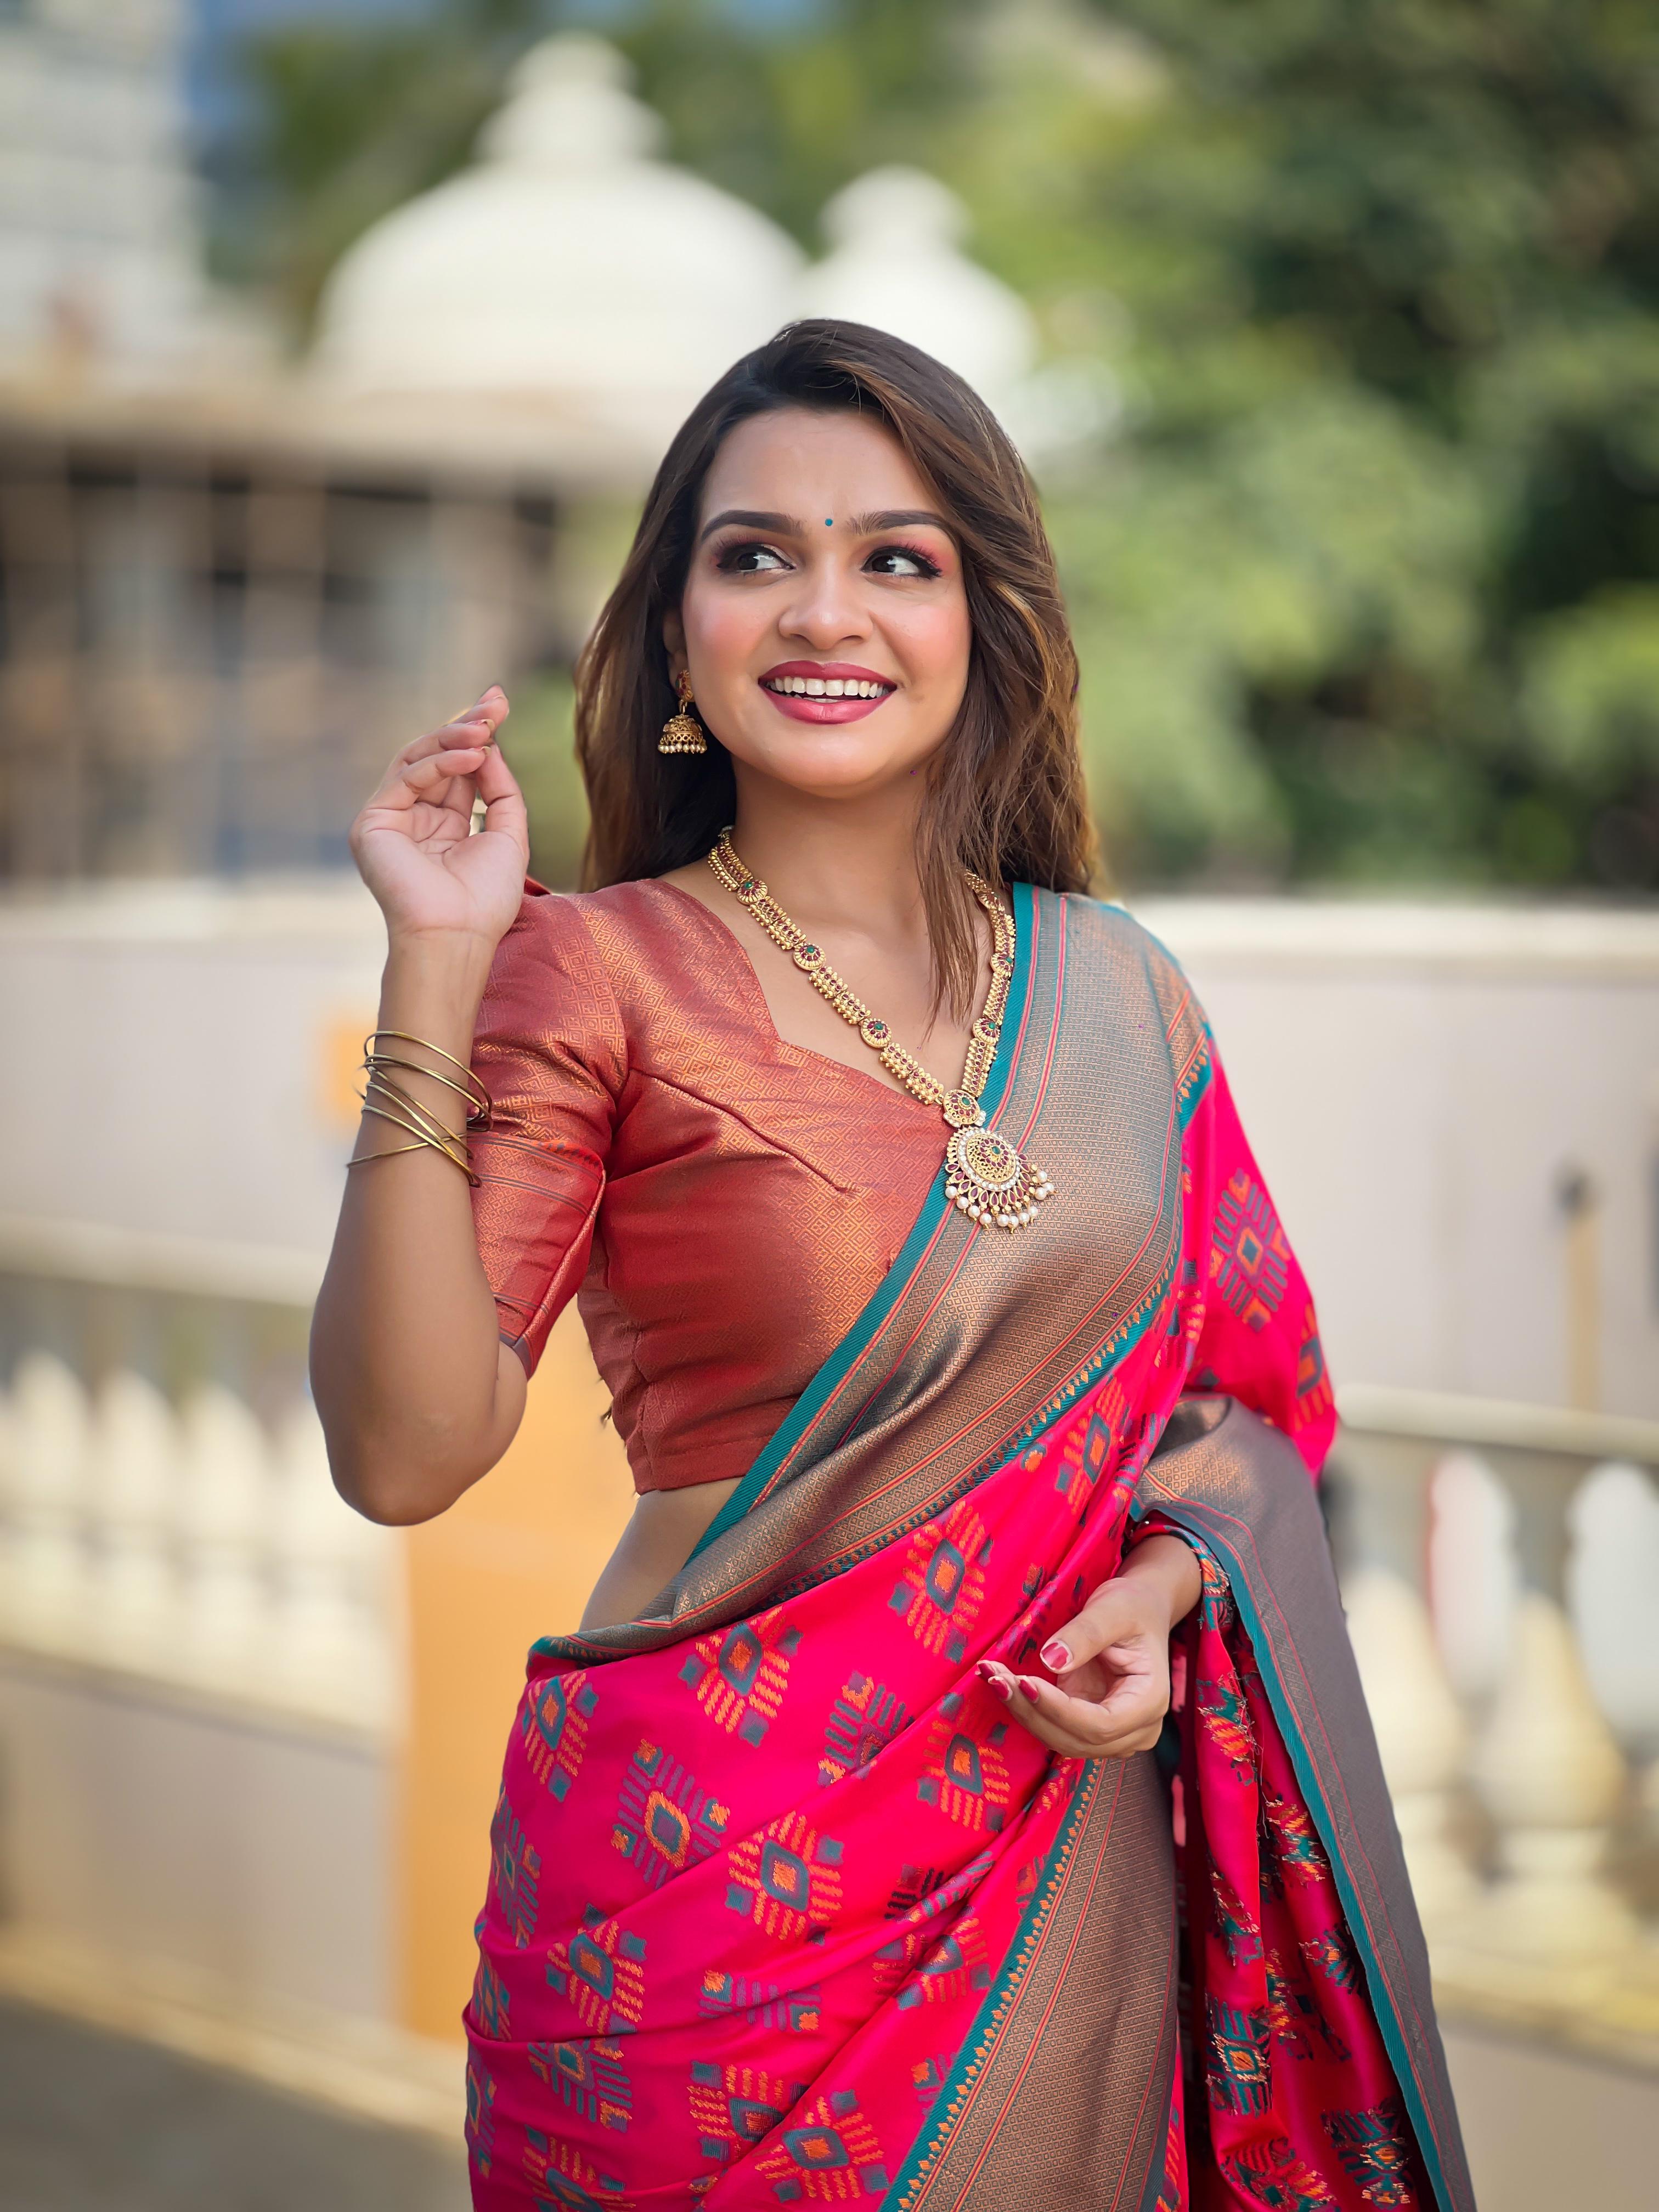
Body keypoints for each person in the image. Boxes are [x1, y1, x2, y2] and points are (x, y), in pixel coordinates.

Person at [312, 321, 1472, 2212]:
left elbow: (1250, 1396)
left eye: (897, 559)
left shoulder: (1124, 994)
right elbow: (406, 1453)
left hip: (1056, 1863)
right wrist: (434, 968)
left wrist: (1174, 1592)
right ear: (676, 627)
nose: (820, 611)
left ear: (983, 620)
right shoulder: (590, 972)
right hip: (704, 1921)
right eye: (754, 553)